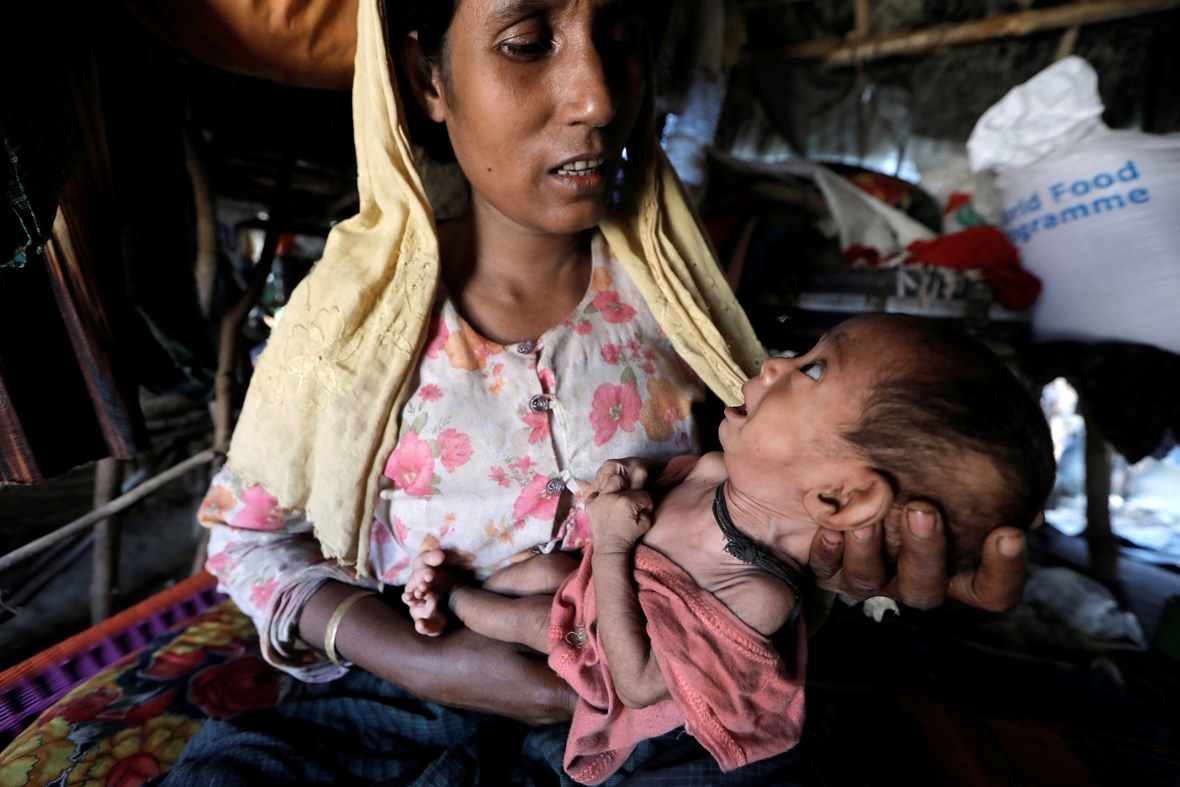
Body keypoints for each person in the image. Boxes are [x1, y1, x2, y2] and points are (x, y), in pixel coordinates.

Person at [158, 1, 1034, 784]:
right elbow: (248, 540)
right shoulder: (344, 322)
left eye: (619, 38)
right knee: (234, 768)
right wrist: (427, 661)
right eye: (529, 42)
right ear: (429, 78)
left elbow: (783, 512)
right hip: (407, 685)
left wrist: (854, 565)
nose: (599, 98)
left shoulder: (679, 307)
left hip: (647, 710)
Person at [400, 313, 1056, 784]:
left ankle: (451, 599)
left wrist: (610, 544)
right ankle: (448, 586)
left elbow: (639, 681)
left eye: (812, 369)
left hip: (666, 737)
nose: (774, 364)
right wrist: (620, 483)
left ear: (839, 499)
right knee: (540, 574)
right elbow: (639, 503)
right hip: (600, 607)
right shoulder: (711, 473)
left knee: (527, 620)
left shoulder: (760, 593)